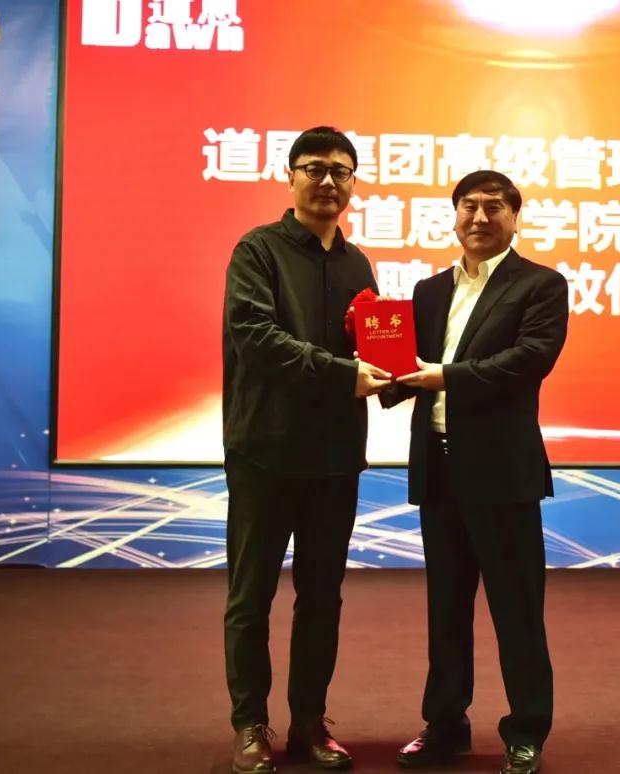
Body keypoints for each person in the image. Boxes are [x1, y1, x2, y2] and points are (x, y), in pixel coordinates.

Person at [383, 170, 568, 774]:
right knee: (446, 609)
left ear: (515, 217)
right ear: (454, 215)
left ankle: (526, 731)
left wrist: (446, 376)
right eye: (469, 206)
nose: (480, 218)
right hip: (439, 468)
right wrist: (370, 368)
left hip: (502, 474)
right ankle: (445, 725)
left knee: (517, 609)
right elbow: (406, 368)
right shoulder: (429, 290)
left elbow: (528, 361)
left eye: (494, 207)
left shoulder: (540, 285)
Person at [221, 126, 391, 774]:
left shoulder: (358, 266)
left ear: (353, 183)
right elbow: (255, 336)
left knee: (322, 598)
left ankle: (309, 723)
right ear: (289, 176)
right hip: (265, 452)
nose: (327, 181)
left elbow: (372, 350)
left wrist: (401, 373)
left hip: (334, 458)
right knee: (251, 598)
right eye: (314, 168)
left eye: (340, 171)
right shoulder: (257, 251)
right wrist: (343, 373)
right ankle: (250, 725)